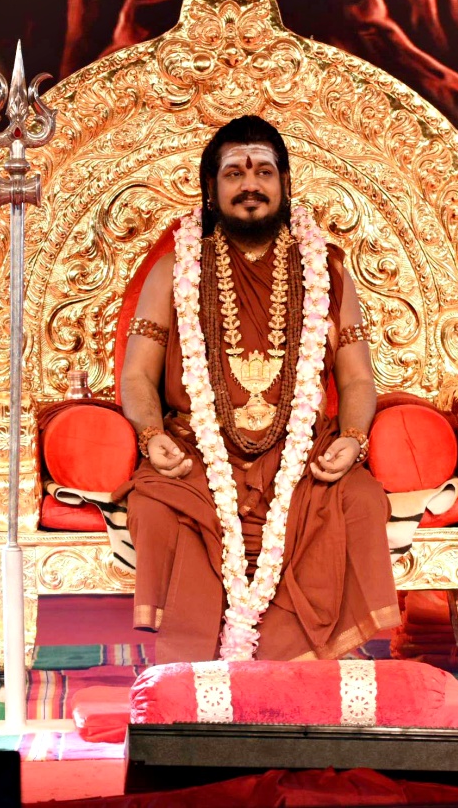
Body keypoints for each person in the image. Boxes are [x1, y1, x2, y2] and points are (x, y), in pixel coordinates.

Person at [117, 114, 400, 662]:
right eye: (235, 173)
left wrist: (353, 439)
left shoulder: (325, 271)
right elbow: (137, 375)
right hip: (197, 454)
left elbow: (358, 378)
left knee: (361, 499)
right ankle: (197, 663)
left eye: (264, 171)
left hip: (301, 455)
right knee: (154, 505)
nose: (251, 185)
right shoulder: (174, 269)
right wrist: (152, 435)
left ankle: (302, 660)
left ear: (284, 183)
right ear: (211, 188)